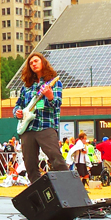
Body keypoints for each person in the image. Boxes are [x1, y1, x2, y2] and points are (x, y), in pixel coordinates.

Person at [13, 52, 68, 183]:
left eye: (36, 61)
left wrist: (50, 96)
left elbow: (57, 104)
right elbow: (18, 105)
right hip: (28, 128)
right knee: (30, 164)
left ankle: (69, 187)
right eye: (31, 63)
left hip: (45, 126)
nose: (33, 64)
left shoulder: (54, 83)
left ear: (43, 62)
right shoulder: (26, 87)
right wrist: (17, 112)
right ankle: (37, 192)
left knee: (56, 158)